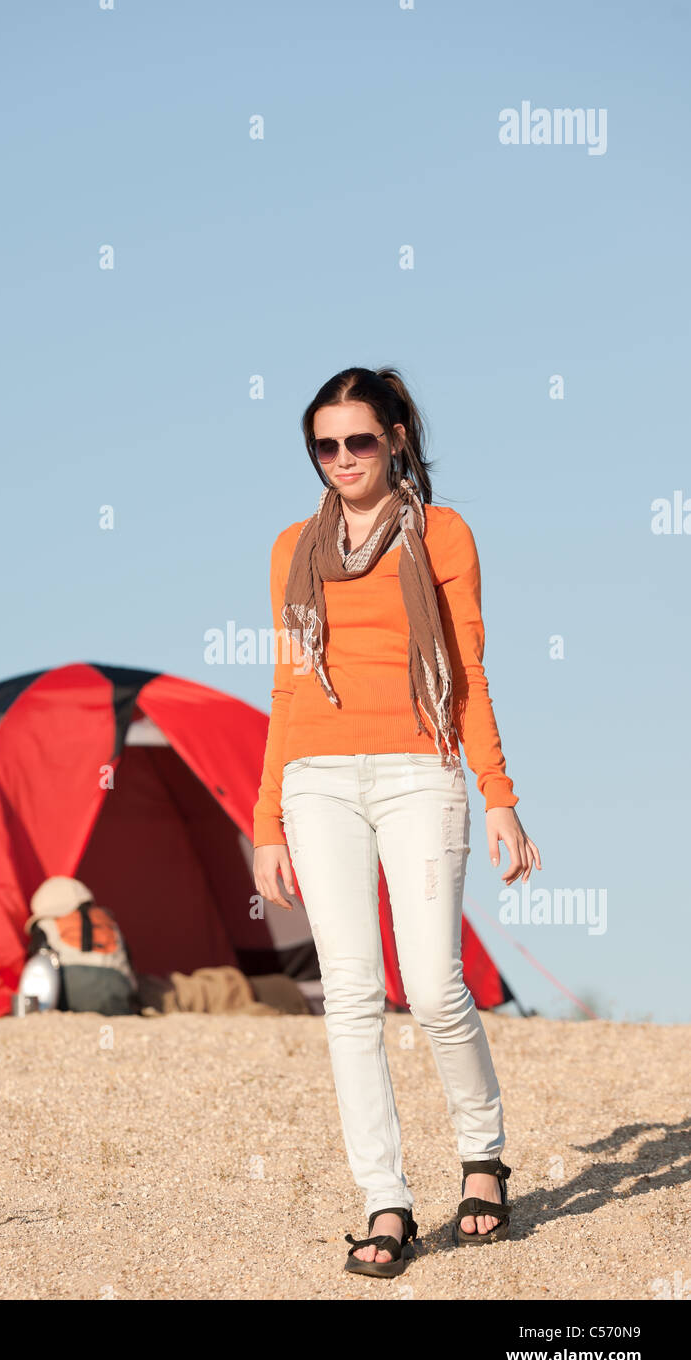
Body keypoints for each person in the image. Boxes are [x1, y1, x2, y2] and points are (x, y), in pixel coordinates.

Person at [252, 366, 541, 1277]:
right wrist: (266, 819)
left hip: (423, 769)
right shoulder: (290, 549)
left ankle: (483, 1156)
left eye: (359, 441)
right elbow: (287, 687)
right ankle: (385, 1201)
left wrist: (500, 795)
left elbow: (467, 670)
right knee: (348, 994)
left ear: (398, 438)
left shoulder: (445, 535)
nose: (343, 459)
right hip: (318, 779)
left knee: (432, 985)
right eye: (325, 445)